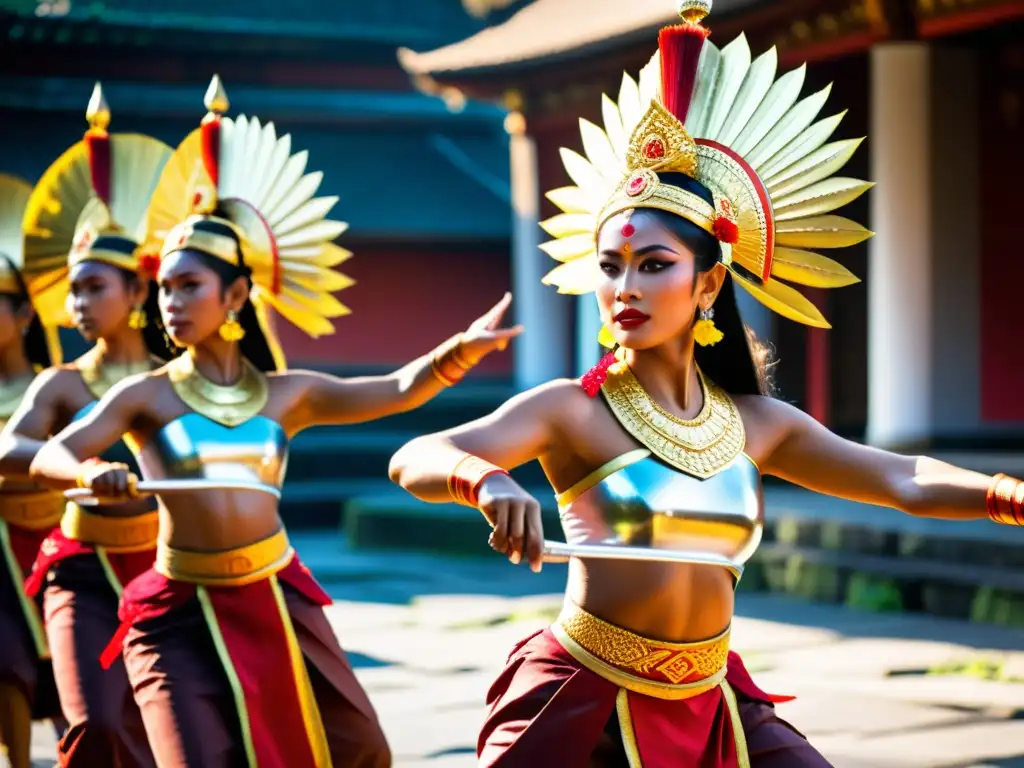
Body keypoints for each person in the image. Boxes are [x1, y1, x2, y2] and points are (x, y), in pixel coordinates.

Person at [387, 2, 1024, 765]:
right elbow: (416, 454)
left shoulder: (757, 424)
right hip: (586, 695)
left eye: (654, 265)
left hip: (714, 698)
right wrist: (482, 483)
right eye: (612, 266)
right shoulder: (572, 411)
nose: (626, 286)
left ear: (708, 281)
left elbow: (902, 478)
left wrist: (1007, 497)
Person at [26, 75, 521, 768]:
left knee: (360, 750)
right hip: (178, 608)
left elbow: (397, 389)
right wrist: (90, 469)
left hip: (276, 595)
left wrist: (459, 351)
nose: (171, 302)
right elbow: (52, 453)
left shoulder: (291, 395)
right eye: (164, 288)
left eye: (189, 286)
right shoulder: (146, 396)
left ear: (234, 295)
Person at [0, 84, 177, 766]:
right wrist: (77, 467)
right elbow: (12, 443)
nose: (76, 302)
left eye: (94, 286)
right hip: (81, 564)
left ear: (139, 291)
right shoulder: (62, 384)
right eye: (71, 289)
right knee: (97, 729)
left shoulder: (176, 383)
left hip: (170, 564)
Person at [0, 174, 65, 768]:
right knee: (7, 665)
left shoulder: (53, 388)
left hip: (54, 541)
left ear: (23, 313)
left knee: (75, 677)